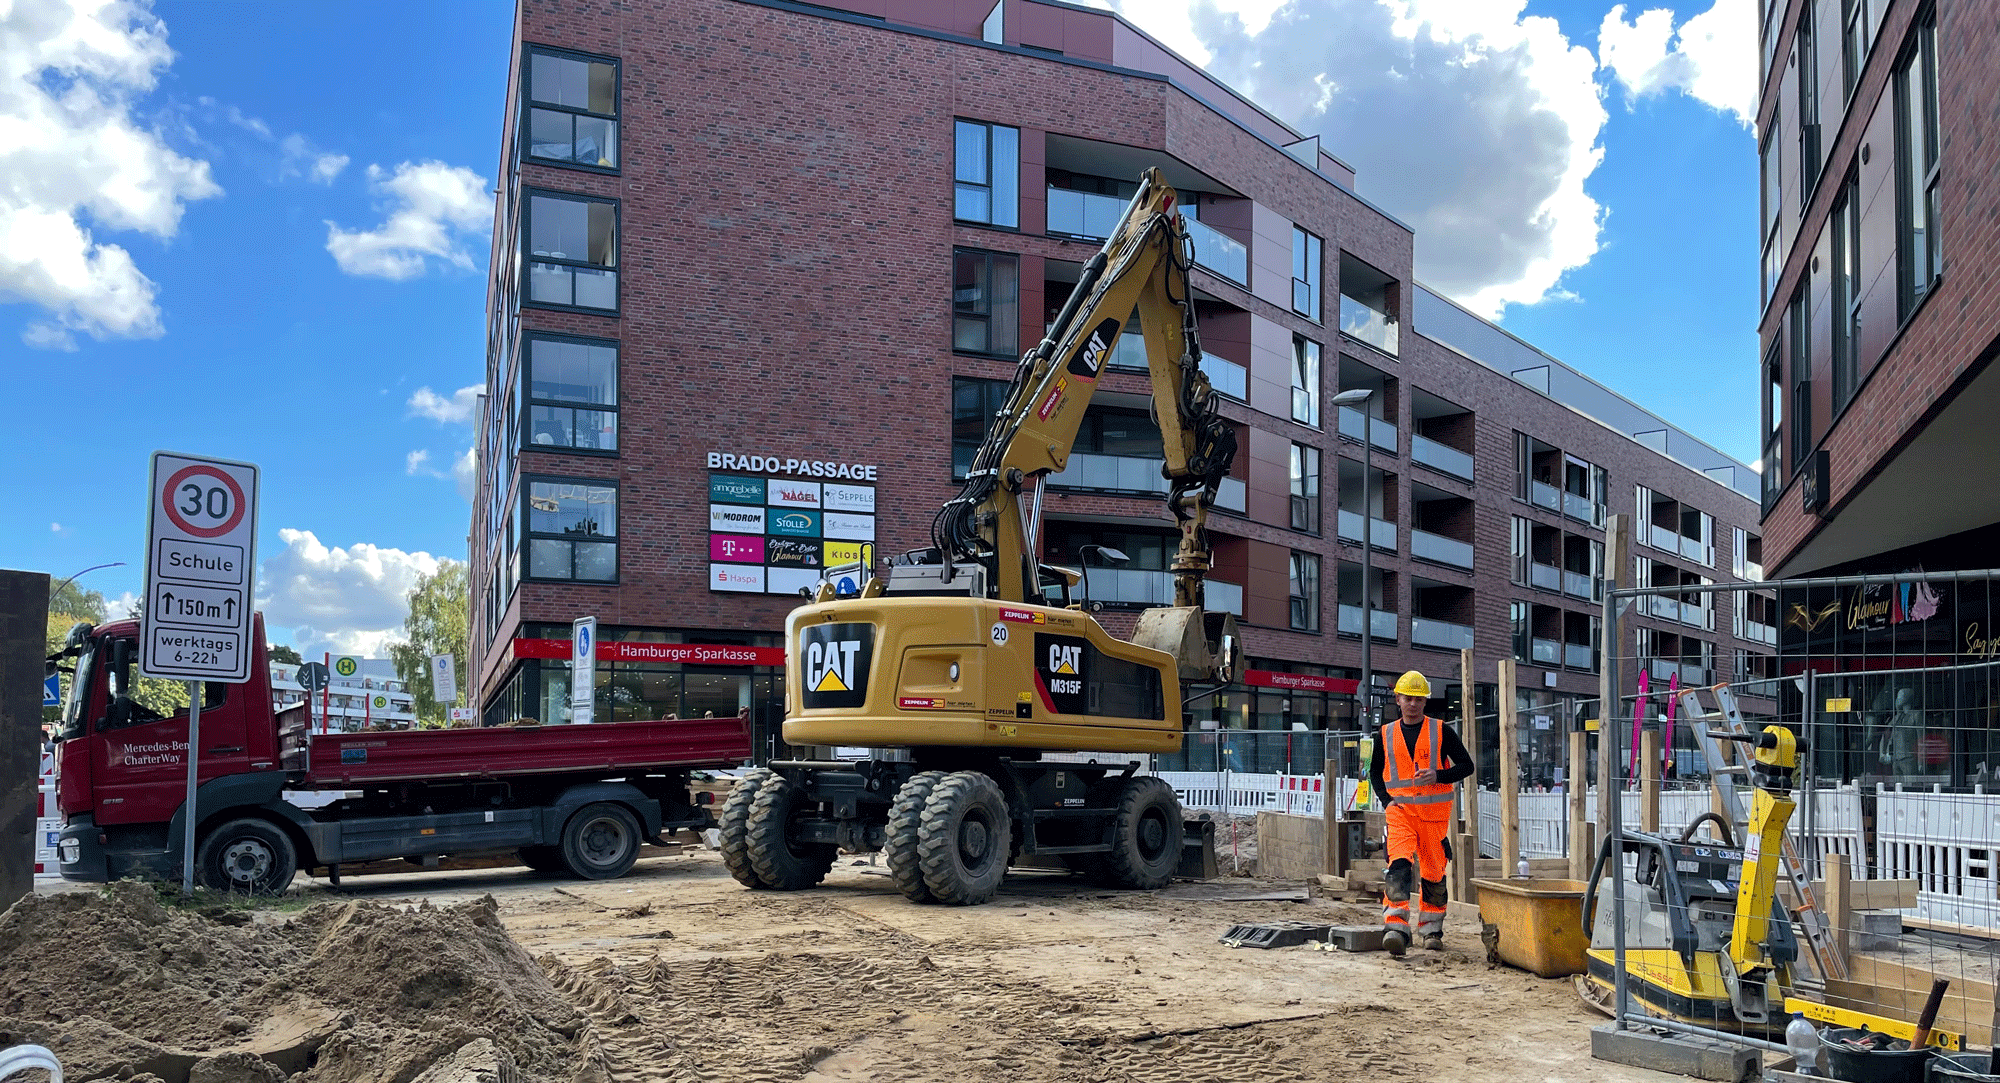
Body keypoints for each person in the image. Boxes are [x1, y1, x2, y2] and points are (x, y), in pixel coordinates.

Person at [1368, 670, 1475, 956]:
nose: (1413, 704)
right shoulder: (1386, 734)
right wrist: (1386, 801)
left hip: (1434, 817)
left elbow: (1466, 766)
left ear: (1425, 701)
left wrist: (1438, 775)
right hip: (1400, 812)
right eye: (1408, 698)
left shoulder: (1441, 730)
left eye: (1418, 699)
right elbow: (1374, 773)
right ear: (1398, 699)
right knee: (1399, 867)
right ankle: (1395, 927)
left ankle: (1431, 930)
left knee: (1433, 874)